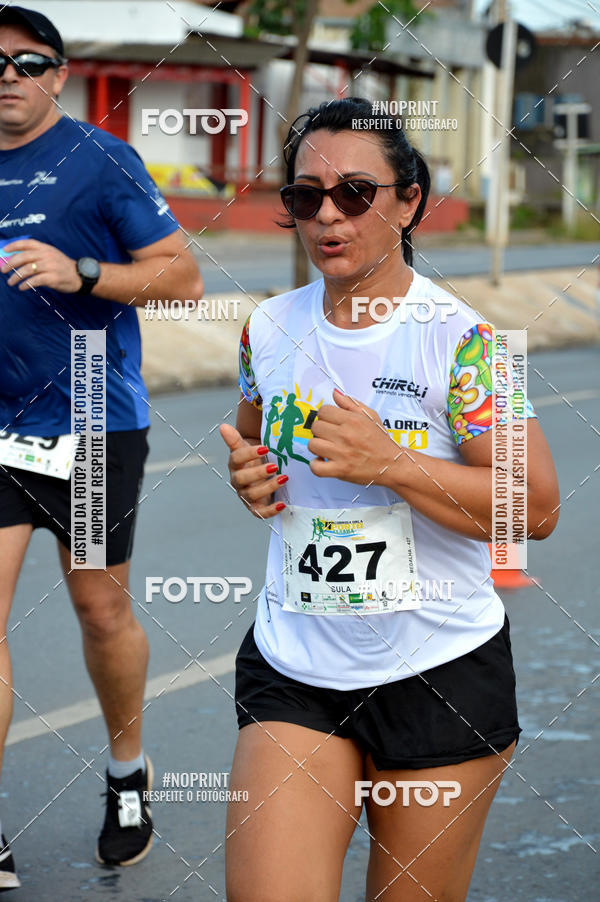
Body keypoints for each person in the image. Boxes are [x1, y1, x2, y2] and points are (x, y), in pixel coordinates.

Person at [220, 97, 559, 902]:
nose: (328, 216)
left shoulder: (460, 340)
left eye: (356, 193)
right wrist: (250, 480)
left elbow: (536, 508)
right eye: (306, 196)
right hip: (295, 668)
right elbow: (253, 449)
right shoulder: (268, 328)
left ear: (409, 202)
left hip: (440, 676)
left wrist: (396, 465)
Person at [0, 5, 203, 887]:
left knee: (99, 610)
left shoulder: (101, 158)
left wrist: (80, 271)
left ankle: (127, 774)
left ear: (59, 75)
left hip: (88, 418)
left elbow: (183, 275)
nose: (8, 75)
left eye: (28, 62)